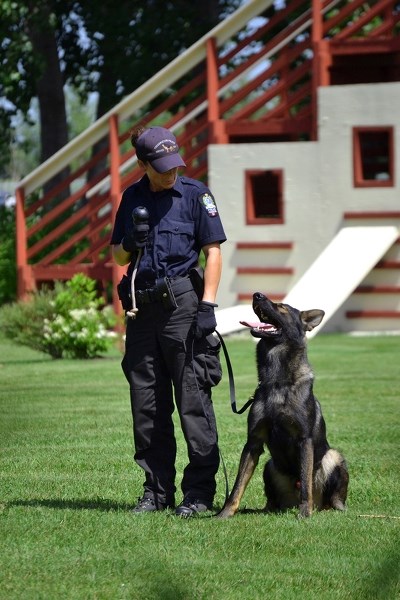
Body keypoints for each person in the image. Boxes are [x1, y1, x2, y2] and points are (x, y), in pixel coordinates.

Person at [111, 125, 227, 517]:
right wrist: (131, 240)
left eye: (173, 163)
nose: (170, 172)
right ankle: (156, 493)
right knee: (147, 405)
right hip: (141, 310)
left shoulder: (196, 195)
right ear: (142, 164)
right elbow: (117, 257)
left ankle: (197, 494)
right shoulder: (132, 197)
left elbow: (213, 252)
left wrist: (208, 306)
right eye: (160, 167)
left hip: (183, 306)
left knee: (193, 400)